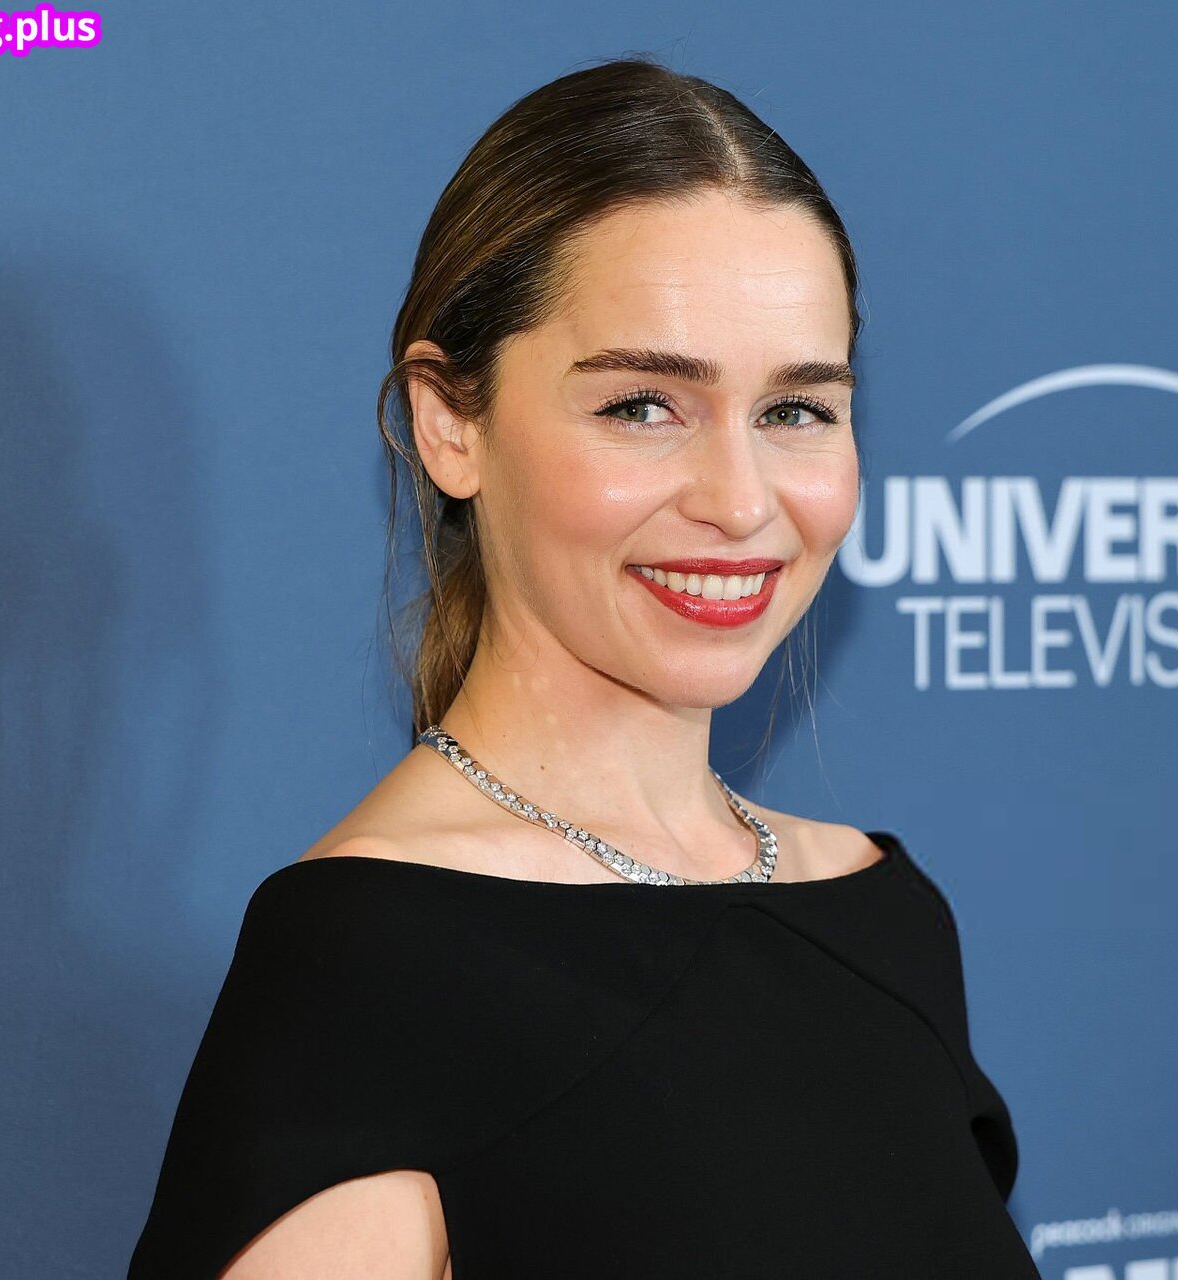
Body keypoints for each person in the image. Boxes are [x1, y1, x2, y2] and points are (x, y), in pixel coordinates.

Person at [128, 54, 1041, 1279]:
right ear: (449, 422)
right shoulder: (371, 967)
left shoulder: (885, 912)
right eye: (643, 406)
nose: (741, 501)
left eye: (796, 410)